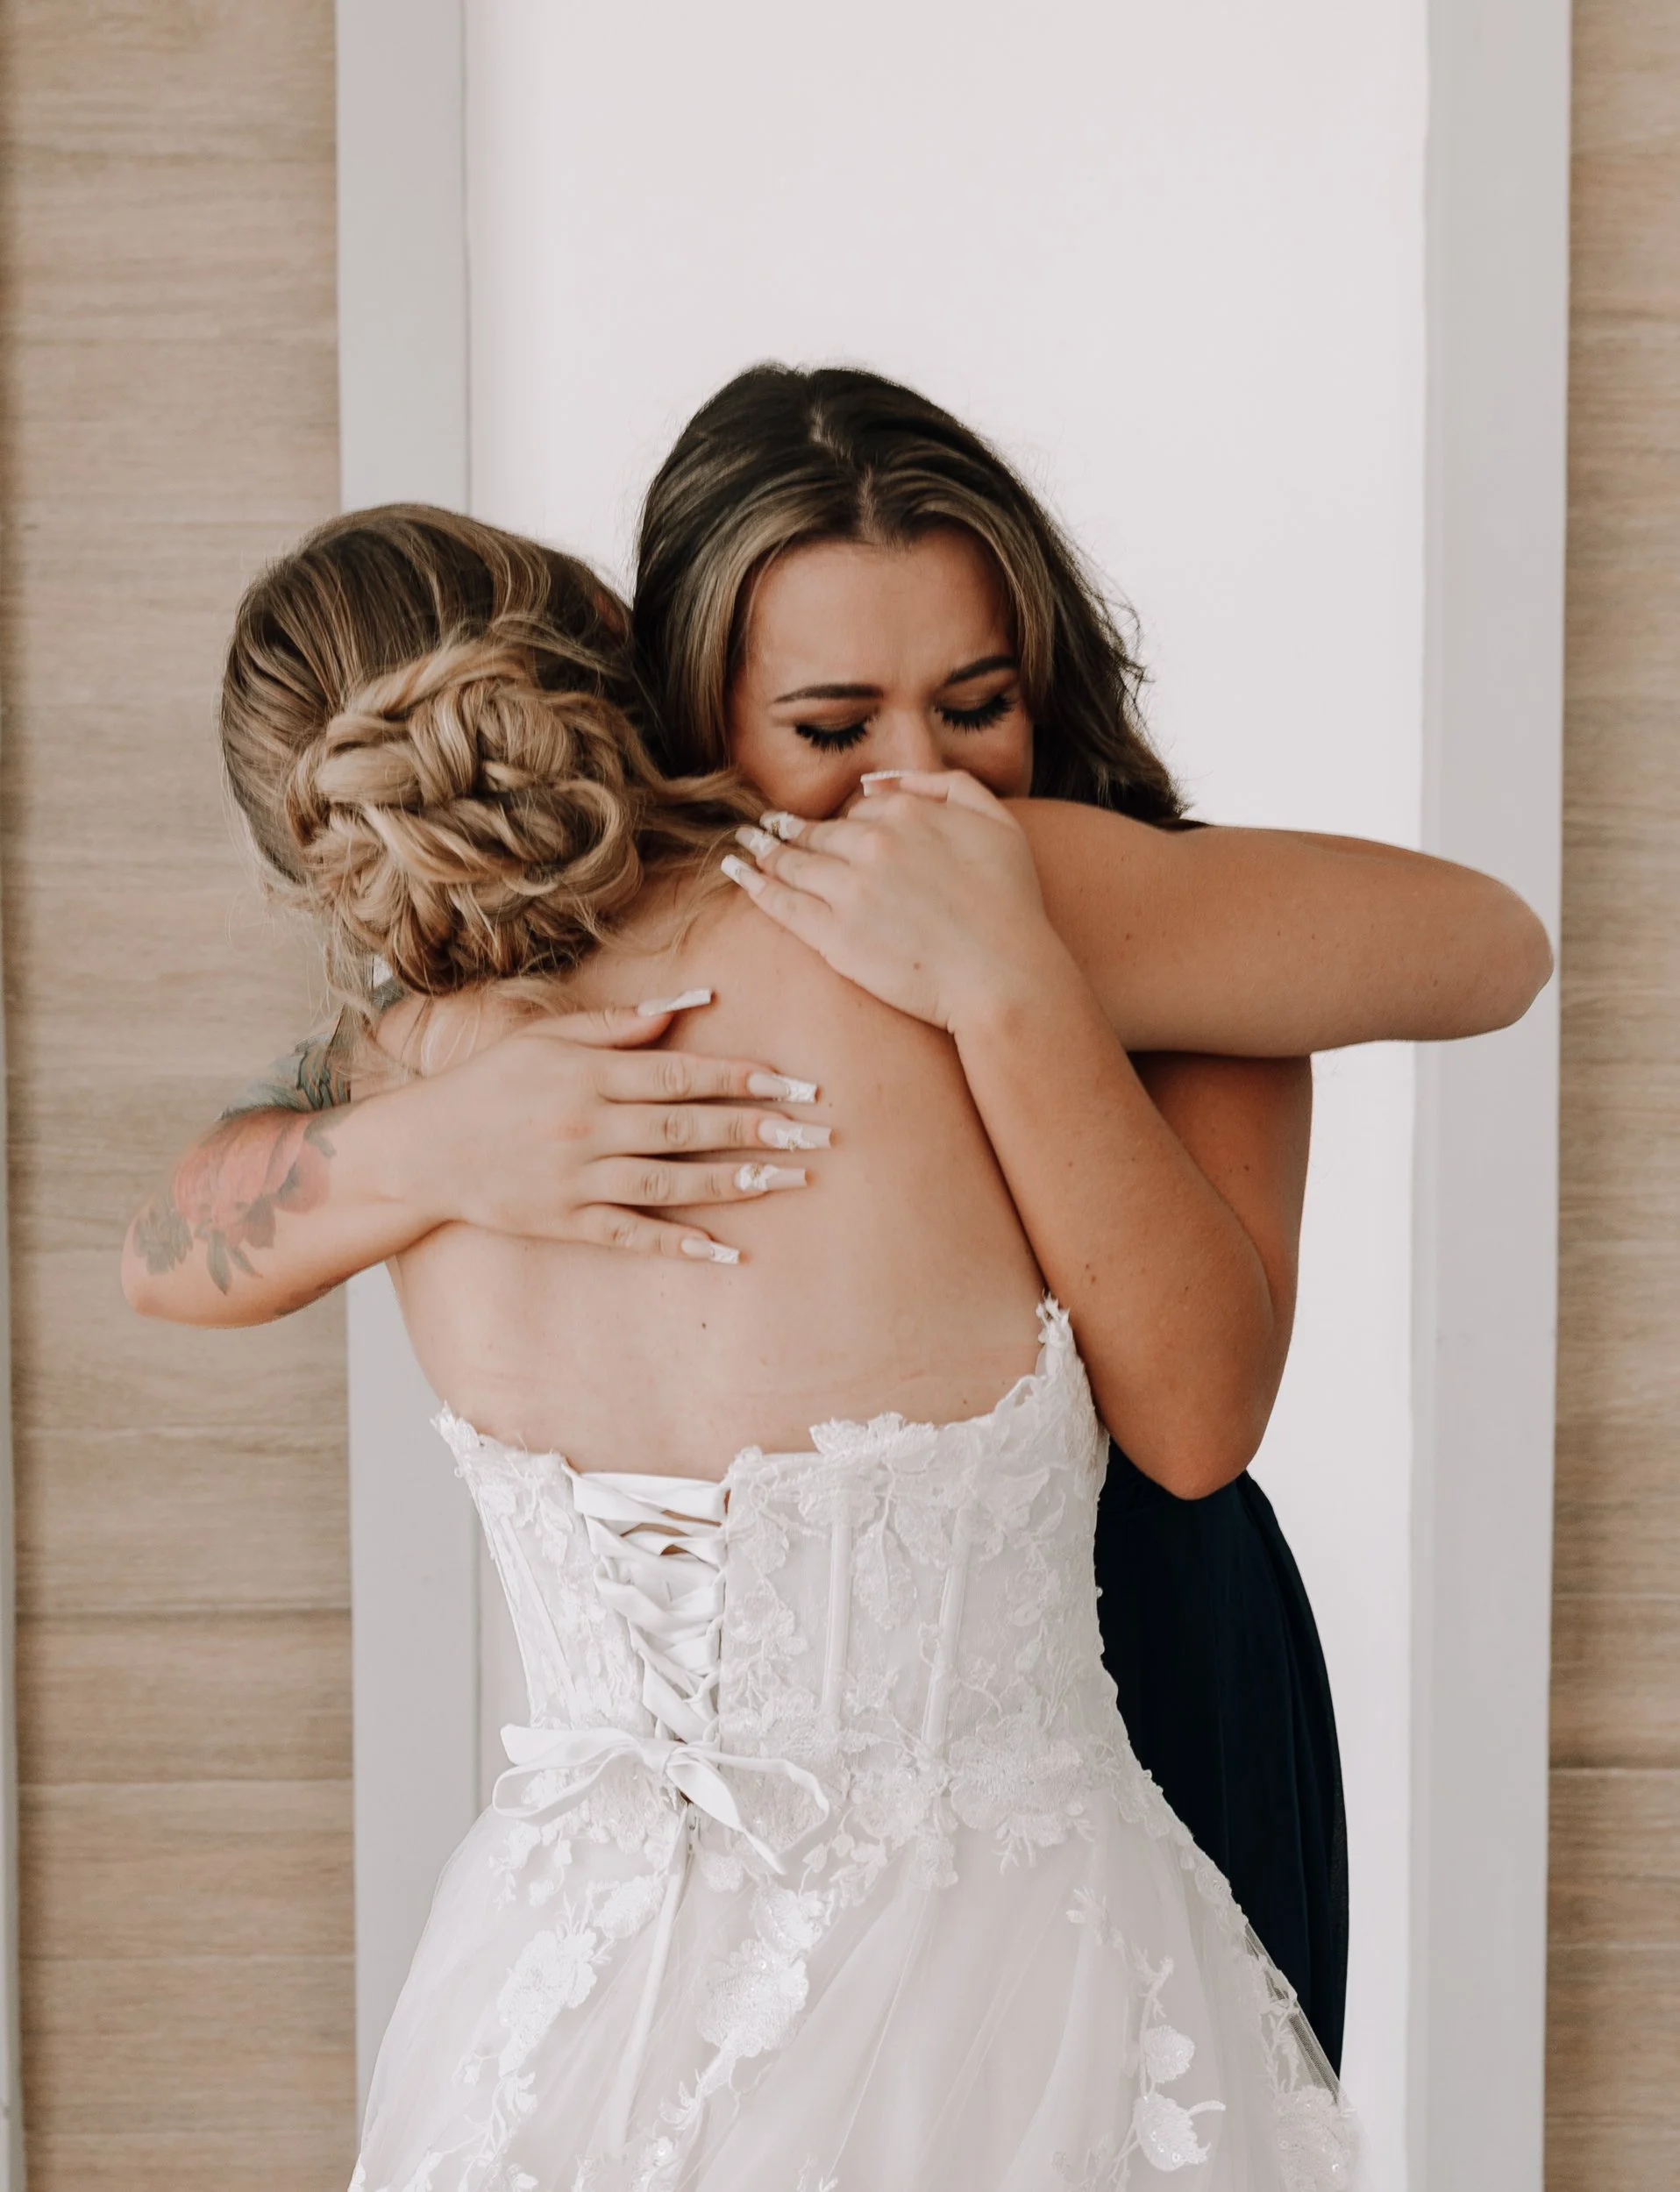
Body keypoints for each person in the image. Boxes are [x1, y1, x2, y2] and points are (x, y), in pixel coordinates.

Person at [125, 377, 1549, 2082]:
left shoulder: (1086, 888)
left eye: (978, 703)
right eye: (829, 724)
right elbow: (168, 1237)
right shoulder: (475, 1013)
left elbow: (1480, 964)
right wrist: (441, 1144)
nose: (917, 785)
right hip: (736, 1856)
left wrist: (1007, 975)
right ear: (676, 707)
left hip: (1153, 1654)